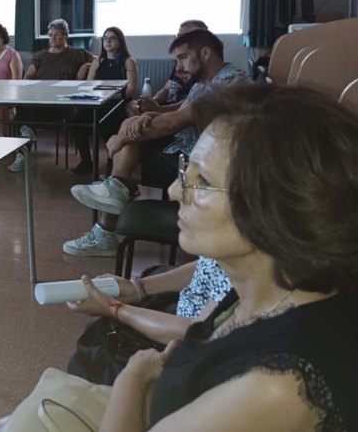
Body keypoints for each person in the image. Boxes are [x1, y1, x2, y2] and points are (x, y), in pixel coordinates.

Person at [99, 84, 358, 431]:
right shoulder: (264, 288)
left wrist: (132, 378)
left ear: (277, 209)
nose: (176, 191)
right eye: (184, 171)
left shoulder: (278, 385)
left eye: (202, 182)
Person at [63, 29, 247, 257]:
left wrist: (120, 139)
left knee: (126, 157)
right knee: (130, 133)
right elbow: (182, 109)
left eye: (182, 58)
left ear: (205, 53)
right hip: (188, 150)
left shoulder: (228, 84)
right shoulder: (206, 81)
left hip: (203, 168)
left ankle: (106, 226)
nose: (178, 68)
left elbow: (174, 122)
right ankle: (115, 191)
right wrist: (150, 114)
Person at [67, 256, 231, 383]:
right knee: (95, 339)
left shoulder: (248, 274)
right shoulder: (237, 247)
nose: (181, 212)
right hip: (180, 316)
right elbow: (208, 266)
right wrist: (138, 287)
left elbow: (196, 331)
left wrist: (114, 308)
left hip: (190, 352)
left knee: (91, 364)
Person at [8, 18, 95, 172]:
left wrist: (86, 65)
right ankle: (22, 154)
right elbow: (28, 77)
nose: (53, 38)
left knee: (76, 118)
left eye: (57, 35)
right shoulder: (41, 56)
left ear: (65, 36)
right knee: (25, 110)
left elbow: (98, 60)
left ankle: (86, 161)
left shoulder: (77, 53)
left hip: (65, 104)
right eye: (50, 35)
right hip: (41, 103)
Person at [67, 26, 139, 175]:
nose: (108, 42)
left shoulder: (128, 61)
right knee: (75, 120)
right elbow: (89, 85)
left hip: (118, 102)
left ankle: (112, 161)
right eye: (105, 39)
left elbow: (131, 90)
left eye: (112, 39)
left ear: (120, 41)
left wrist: (109, 95)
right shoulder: (98, 61)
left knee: (108, 121)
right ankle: (86, 160)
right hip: (98, 102)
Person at [133, 19, 209, 116]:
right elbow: (165, 89)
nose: (178, 68)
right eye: (178, 36)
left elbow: (190, 104)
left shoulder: (202, 70)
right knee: (130, 106)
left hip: (174, 114)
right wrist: (153, 102)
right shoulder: (180, 64)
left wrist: (158, 109)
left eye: (185, 37)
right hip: (163, 109)